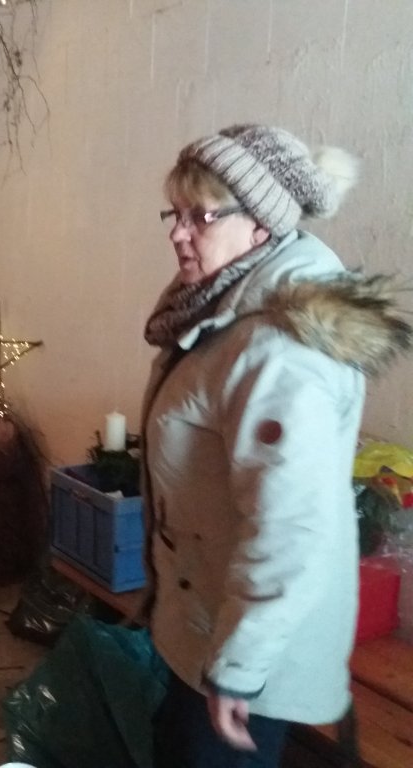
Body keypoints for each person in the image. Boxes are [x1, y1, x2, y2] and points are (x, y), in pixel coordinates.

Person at [141, 125, 410, 767]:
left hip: (245, 653)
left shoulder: (278, 352)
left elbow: (291, 526)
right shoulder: (223, 306)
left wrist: (238, 670)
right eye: (175, 214)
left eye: (201, 216)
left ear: (261, 225)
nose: (179, 233)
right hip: (206, 614)